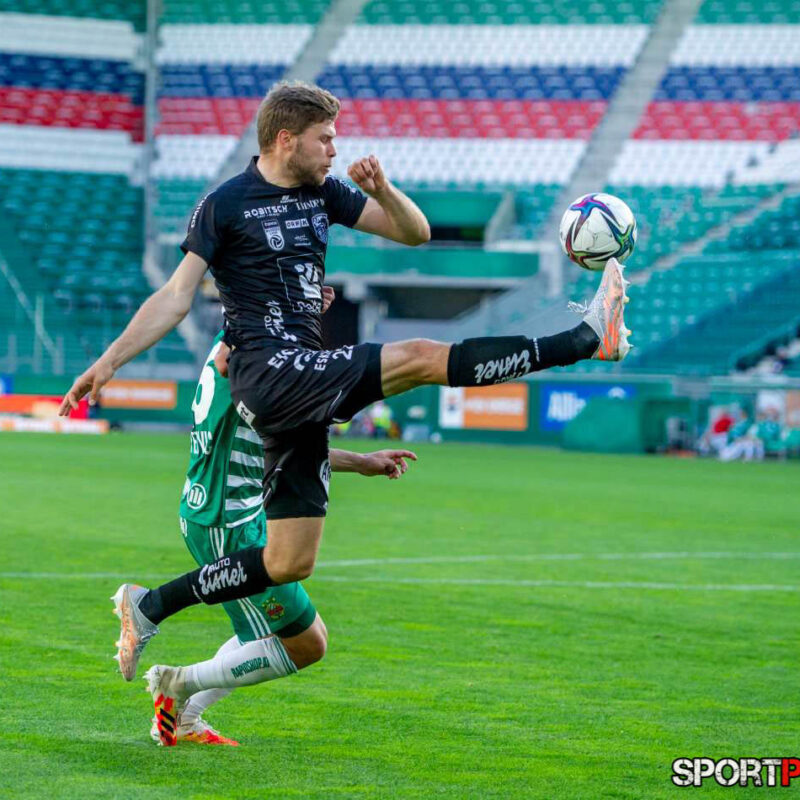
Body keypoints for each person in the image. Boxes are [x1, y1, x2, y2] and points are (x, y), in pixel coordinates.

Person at [58, 81, 631, 741]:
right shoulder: (225, 204)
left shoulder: (324, 194)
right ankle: (584, 339)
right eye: (325, 138)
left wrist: (383, 190)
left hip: (299, 380)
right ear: (286, 139)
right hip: (269, 372)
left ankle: (149, 607)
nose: (334, 149)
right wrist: (109, 362)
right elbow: (175, 295)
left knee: (289, 562)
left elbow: (414, 234)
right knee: (421, 357)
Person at [117, 329, 417, 746]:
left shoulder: (244, 340)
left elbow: (276, 448)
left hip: (226, 512)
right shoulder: (258, 343)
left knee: (262, 638)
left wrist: (360, 461)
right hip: (227, 519)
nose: (322, 300)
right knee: (305, 644)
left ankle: (184, 713)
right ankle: (175, 682)